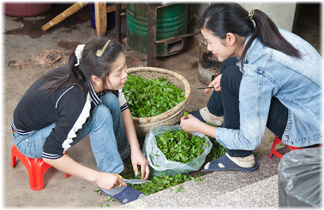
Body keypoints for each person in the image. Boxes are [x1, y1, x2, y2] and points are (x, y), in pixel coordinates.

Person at [180, 3, 322, 172]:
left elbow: (249, 140)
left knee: (232, 76)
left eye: (210, 42)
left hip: (308, 126)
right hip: (312, 104)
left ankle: (239, 156)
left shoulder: (257, 72)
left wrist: (199, 128)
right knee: (231, 62)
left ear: (230, 38)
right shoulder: (257, 30)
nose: (209, 48)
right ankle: (214, 114)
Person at [11, 37, 150, 204]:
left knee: (111, 101)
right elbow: (50, 154)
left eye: (124, 66)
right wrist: (97, 178)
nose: (125, 74)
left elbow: (122, 107)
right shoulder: (77, 101)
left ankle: (123, 152)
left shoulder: (91, 67)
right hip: (28, 138)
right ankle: (111, 181)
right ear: (96, 78)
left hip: (48, 119)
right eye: (119, 72)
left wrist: (135, 150)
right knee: (100, 115)